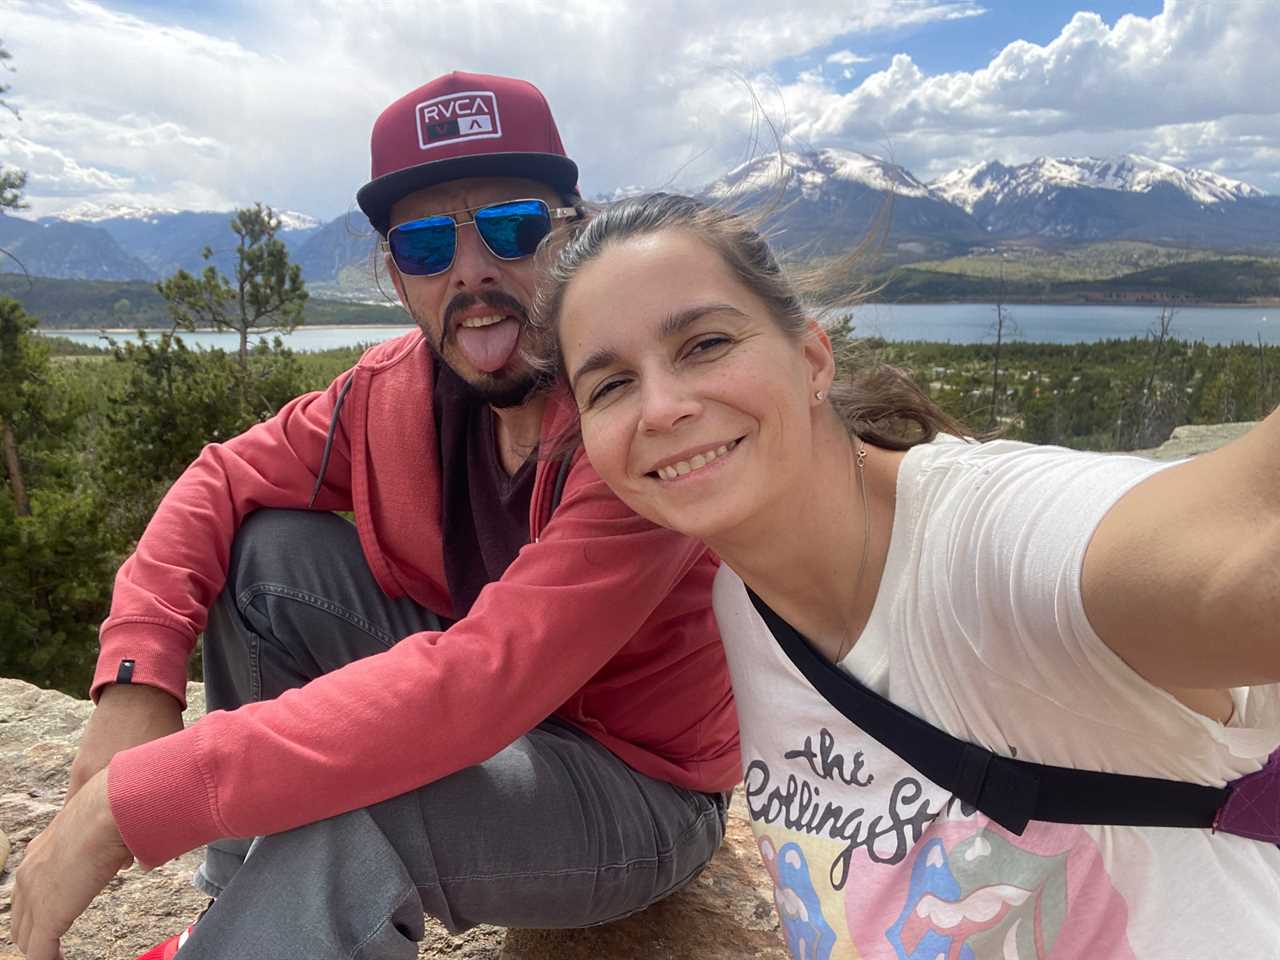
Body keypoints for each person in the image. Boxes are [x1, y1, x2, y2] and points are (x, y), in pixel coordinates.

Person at [10, 77, 740, 960]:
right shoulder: (388, 396)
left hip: (639, 785)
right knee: (267, 553)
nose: (470, 270)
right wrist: (136, 684)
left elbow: (478, 683)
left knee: (369, 812)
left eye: (510, 226)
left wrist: (142, 797)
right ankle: (243, 907)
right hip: (496, 719)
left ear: (571, 238)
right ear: (399, 279)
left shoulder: (631, 420)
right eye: (428, 243)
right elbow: (219, 479)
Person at [536, 192, 1280, 958]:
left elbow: (1243, 554)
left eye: (705, 344)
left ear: (811, 358)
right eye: (611, 385)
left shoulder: (983, 546)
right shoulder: (745, 600)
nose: (660, 407)